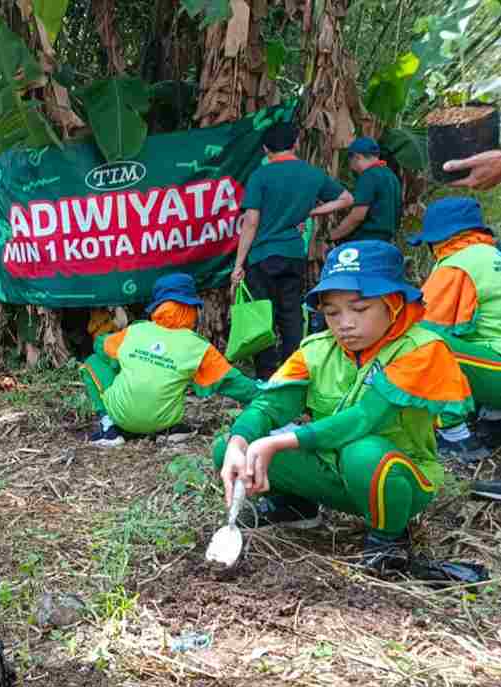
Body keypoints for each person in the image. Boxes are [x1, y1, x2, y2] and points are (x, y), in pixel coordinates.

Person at [216, 240, 473, 573]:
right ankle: (295, 508)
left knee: (362, 452)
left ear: (393, 303)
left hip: (395, 478)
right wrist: (239, 441)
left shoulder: (422, 350)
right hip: (332, 471)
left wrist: (280, 441)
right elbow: (269, 405)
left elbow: (364, 418)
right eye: (332, 312)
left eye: (360, 308)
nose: (345, 323)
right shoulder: (316, 349)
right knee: (228, 447)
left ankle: (387, 540)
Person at [230, 122, 353, 379]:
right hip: (294, 255)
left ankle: (265, 375)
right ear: (295, 143)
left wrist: (238, 264)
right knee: (291, 315)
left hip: (262, 256)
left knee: (263, 316)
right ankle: (292, 372)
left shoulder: (260, 176)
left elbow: (251, 221)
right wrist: (312, 211)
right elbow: (346, 199)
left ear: (266, 149)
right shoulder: (312, 174)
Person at [81, 273, 260, 447]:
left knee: (93, 361)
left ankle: (109, 427)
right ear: (193, 308)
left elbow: (100, 346)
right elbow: (233, 383)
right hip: (162, 421)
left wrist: (133, 357)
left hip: (122, 416)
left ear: (157, 306)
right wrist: (266, 393)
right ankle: (169, 430)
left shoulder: (136, 331)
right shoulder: (198, 347)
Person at [415, 197, 501, 462]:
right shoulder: (492, 255)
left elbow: (423, 323)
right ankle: (493, 421)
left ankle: (457, 437)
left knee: (419, 340)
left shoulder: (456, 265)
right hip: (494, 365)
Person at [327, 137, 402, 244]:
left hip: (366, 240)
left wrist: (332, 235)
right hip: (386, 241)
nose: (350, 166)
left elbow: (358, 216)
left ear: (357, 157)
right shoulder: (391, 175)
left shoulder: (369, 176)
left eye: (350, 160)